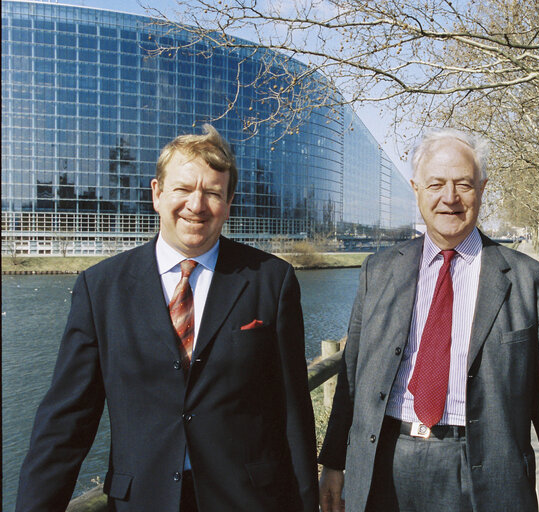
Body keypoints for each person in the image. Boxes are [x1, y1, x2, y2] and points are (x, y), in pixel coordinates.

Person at [16, 125, 319, 512]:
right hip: (142, 499)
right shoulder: (101, 288)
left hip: (247, 500)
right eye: (183, 189)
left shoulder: (271, 281)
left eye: (212, 192)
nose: (196, 205)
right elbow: (66, 421)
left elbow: (292, 410)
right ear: (157, 194)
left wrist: (307, 503)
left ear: (228, 203)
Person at [318, 128, 539, 512]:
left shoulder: (531, 283)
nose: (449, 198)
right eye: (436, 184)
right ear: (416, 189)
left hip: (485, 476)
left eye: (463, 184)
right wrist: (334, 463)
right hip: (384, 465)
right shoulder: (377, 273)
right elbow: (352, 376)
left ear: (482, 188)